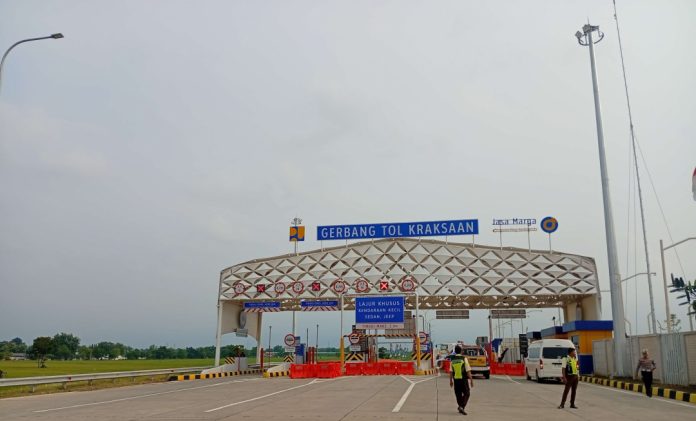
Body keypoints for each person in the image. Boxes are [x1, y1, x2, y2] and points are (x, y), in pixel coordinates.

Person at [449, 345, 474, 415]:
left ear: (455, 351)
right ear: (461, 351)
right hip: (463, 379)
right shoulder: (463, 359)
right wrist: (471, 380)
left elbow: (451, 371)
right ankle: (462, 406)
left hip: (456, 380)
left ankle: (460, 406)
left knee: (458, 394)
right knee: (467, 393)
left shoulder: (452, 360)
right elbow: (468, 371)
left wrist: (451, 381)